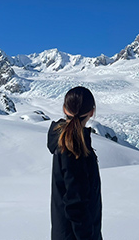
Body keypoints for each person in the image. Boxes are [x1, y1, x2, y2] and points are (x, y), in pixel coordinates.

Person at [47, 86, 102, 240]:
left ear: (64, 109)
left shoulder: (63, 140)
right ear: (92, 112)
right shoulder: (74, 148)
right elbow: (76, 205)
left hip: (64, 233)